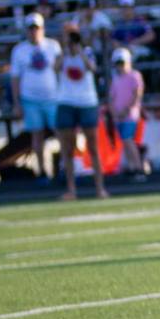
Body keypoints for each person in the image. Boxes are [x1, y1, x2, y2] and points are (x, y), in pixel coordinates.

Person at [52, 25, 108, 201]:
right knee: (67, 148)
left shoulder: (87, 52)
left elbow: (92, 68)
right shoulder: (61, 54)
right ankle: (71, 190)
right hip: (66, 101)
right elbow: (55, 68)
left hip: (87, 102)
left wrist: (79, 51)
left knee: (93, 147)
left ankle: (100, 188)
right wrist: (66, 51)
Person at [9, 13, 62, 186]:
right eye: (31, 28)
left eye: (36, 28)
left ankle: (64, 167)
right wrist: (17, 103)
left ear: (42, 29)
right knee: (37, 135)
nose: (34, 32)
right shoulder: (19, 50)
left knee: (61, 132)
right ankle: (42, 171)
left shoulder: (53, 46)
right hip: (30, 99)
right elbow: (15, 78)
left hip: (52, 98)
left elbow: (60, 71)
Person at [108, 47, 151, 178]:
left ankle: (138, 167)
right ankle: (132, 167)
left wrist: (126, 111)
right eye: (118, 63)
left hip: (130, 115)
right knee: (125, 141)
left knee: (128, 140)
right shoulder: (115, 78)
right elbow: (111, 98)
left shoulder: (134, 76)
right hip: (118, 117)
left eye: (122, 63)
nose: (120, 66)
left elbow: (137, 95)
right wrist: (115, 113)